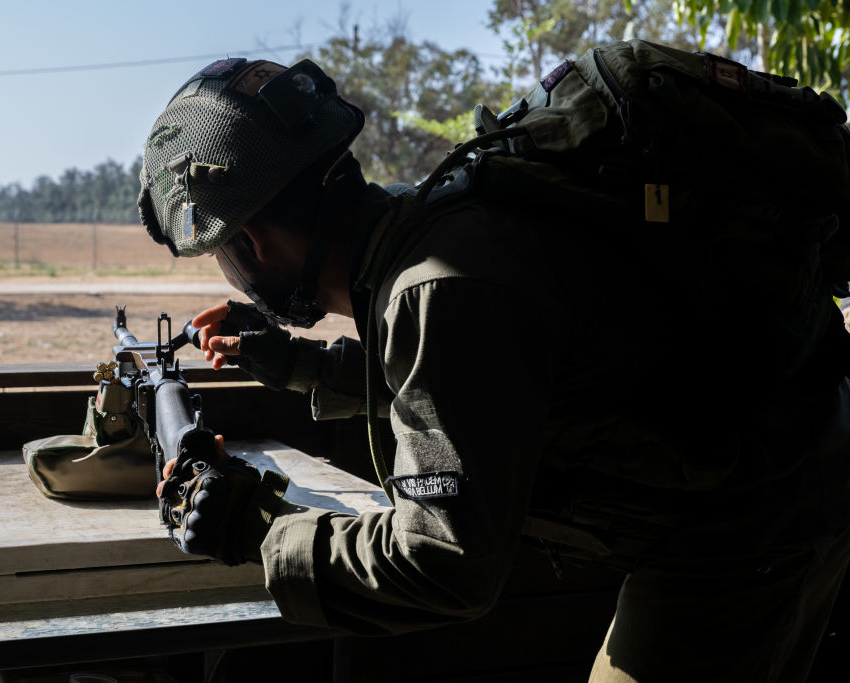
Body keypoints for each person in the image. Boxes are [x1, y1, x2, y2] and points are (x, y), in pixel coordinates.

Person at [139, 53, 850, 681]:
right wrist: (296, 364)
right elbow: (486, 386)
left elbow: (443, 560)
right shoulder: (441, 231)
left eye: (223, 257)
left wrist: (259, 525)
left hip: (754, 515)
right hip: (786, 453)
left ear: (254, 244)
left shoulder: (440, 285)